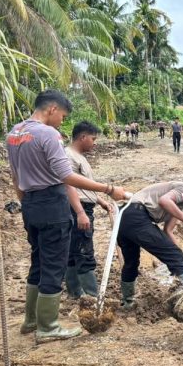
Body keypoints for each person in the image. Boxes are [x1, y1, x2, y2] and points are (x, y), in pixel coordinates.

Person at [7, 90, 128, 343]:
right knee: (54, 264)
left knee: (38, 261)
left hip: (30, 203)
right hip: (52, 203)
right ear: (51, 109)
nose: (62, 121)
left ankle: (31, 320)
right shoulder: (47, 133)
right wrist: (108, 189)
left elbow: (16, 176)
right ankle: (48, 327)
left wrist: (26, 204)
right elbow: (66, 176)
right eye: (62, 115)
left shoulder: (15, 133)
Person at [116, 172, 183, 309]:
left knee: (131, 263)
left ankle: (127, 302)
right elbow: (164, 200)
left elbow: (167, 231)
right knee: (174, 256)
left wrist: (181, 259)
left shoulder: (179, 203)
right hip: (136, 215)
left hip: (123, 218)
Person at [64, 121, 113, 299]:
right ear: (83, 137)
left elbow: (82, 187)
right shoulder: (69, 156)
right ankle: (93, 297)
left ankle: (75, 292)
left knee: (72, 251)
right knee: (84, 251)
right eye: (93, 139)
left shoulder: (79, 157)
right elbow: (68, 185)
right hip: (78, 208)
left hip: (82, 206)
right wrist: (80, 212)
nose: (94, 143)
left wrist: (100, 201)